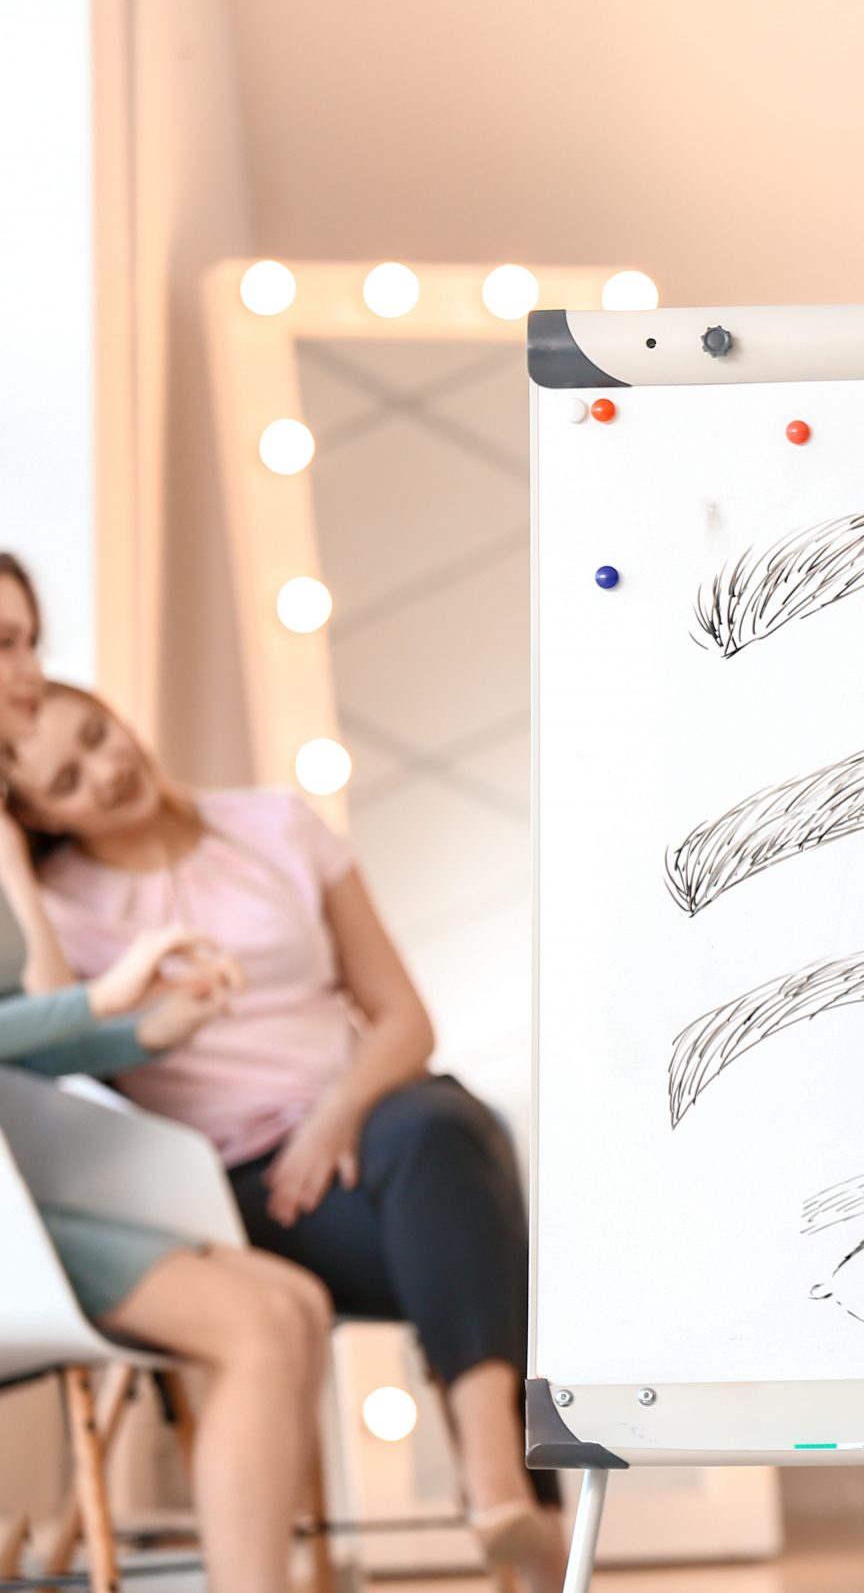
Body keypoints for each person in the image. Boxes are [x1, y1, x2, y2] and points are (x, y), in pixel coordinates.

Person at [2, 670, 567, 1590]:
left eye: (97, 736)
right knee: (490, 1237)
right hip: (236, 1188)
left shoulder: (277, 824)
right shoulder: (62, 905)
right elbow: (67, 1034)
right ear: (44, 820)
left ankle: (494, 1469)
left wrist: (334, 1113)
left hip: (365, 1133)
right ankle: (506, 1489)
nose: (103, 773)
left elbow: (404, 1020)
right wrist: (18, 868)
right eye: (65, 783)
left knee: (440, 1123)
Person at [1, 550, 330, 1593]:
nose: (24, 672)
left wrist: (148, 1030)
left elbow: (27, 1032)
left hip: (21, 1202)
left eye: (27, 641)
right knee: (251, 1322)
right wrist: (107, 1000)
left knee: (290, 1304)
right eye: (1, 646)